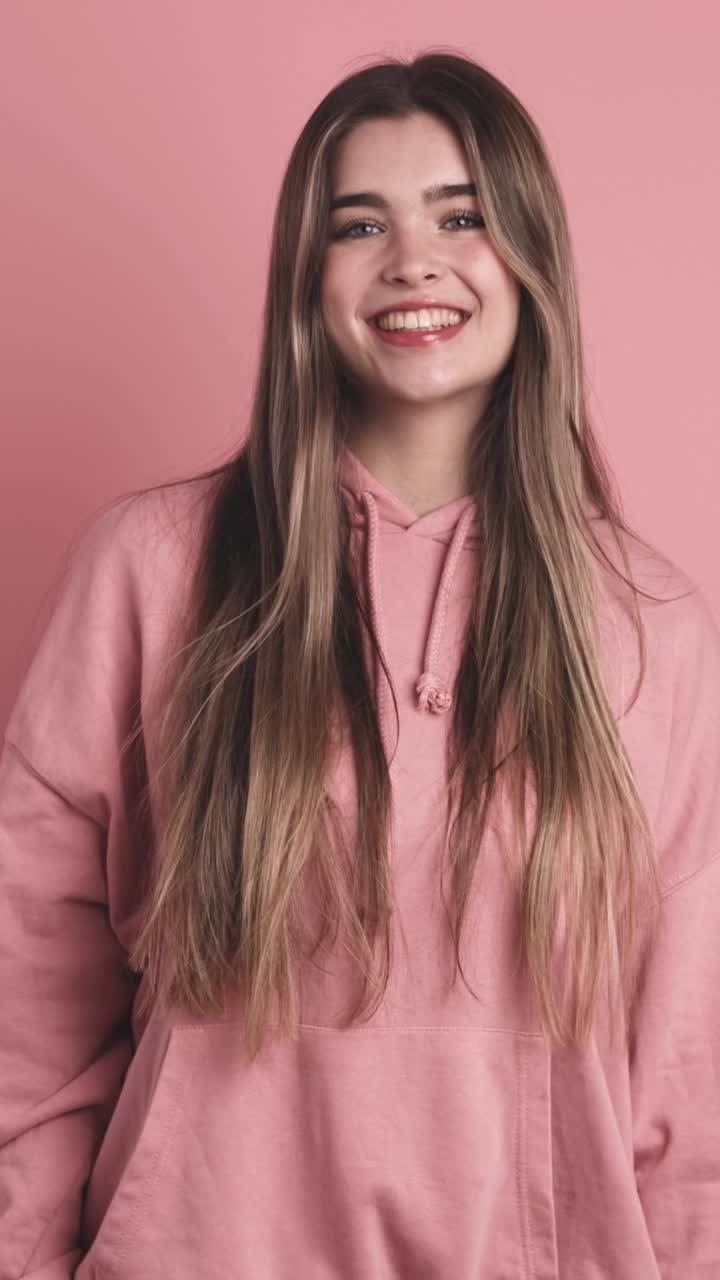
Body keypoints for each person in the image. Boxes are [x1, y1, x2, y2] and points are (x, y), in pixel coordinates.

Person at [1, 48, 719, 1280]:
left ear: (532, 257)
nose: (413, 260)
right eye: (359, 223)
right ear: (306, 274)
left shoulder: (650, 620)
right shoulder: (149, 571)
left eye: (462, 215)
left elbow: (689, 1063)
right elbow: (29, 994)